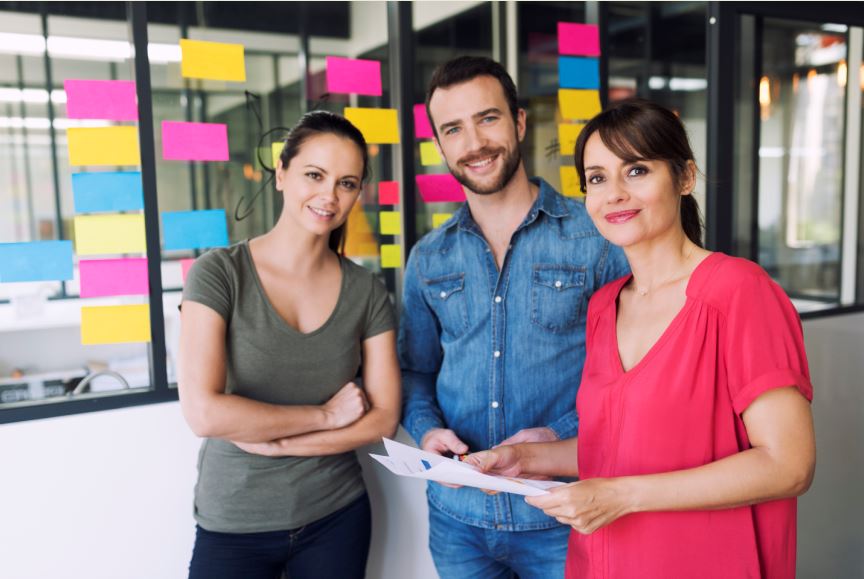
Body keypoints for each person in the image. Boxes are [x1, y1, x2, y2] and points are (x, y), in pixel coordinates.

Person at [466, 98, 816, 579]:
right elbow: (613, 450)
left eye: (636, 170)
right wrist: (521, 458)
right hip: (605, 561)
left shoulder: (739, 292)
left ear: (685, 178)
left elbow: (788, 465)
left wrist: (621, 496)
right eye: (596, 178)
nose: (613, 194)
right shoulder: (604, 306)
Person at [398, 56, 629, 579]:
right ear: (439, 146)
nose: (473, 142)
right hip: (459, 524)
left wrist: (557, 435)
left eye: (488, 118)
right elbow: (416, 370)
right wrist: (427, 430)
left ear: (520, 122)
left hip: (564, 515)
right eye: (453, 129)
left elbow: (629, 374)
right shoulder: (428, 257)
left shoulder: (596, 237)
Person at [178, 110, 401, 579]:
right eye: (314, 175)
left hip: (336, 515)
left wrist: (282, 445)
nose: (329, 195)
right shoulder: (220, 274)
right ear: (281, 174)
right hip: (235, 521)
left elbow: (383, 418)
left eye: (347, 183)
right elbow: (204, 413)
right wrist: (323, 416)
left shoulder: (366, 291)